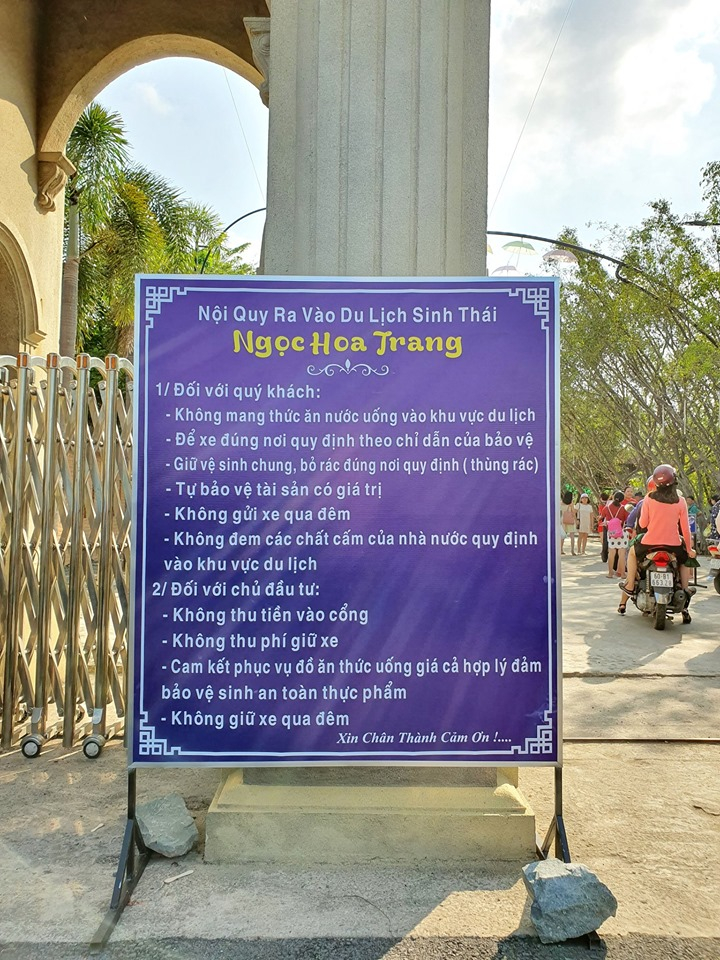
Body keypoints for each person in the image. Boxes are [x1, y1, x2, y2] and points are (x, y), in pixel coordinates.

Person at [619, 464, 696, 619]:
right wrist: (689, 549)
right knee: (684, 561)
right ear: (674, 481)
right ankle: (685, 589)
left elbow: (643, 523)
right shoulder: (681, 501)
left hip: (649, 543)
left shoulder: (648, 498)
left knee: (632, 553)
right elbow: (686, 529)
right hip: (673, 545)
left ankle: (630, 584)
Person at [600, 491, 630, 579]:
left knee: (611, 553)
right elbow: (627, 519)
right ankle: (622, 574)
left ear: (613, 497)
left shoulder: (607, 508)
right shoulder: (623, 508)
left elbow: (601, 517)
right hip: (621, 533)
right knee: (621, 553)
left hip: (611, 533)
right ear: (622, 500)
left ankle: (610, 573)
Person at [560, 490, 576, 555]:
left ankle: (561, 549)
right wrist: (575, 520)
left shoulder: (560, 503)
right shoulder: (571, 504)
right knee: (572, 536)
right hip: (570, 520)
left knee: (562, 536)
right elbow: (573, 512)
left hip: (562, 520)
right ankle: (572, 550)